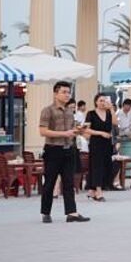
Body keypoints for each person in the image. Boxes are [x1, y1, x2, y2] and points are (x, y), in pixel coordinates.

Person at [38, 81, 90, 224]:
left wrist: (78, 131)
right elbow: (42, 131)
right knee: (49, 182)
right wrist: (64, 133)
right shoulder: (47, 110)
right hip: (53, 150)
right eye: (64, 92)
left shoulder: (69, 111)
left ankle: (71, 213)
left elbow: (71, 131)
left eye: (69, 92)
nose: (67, 95)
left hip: (69, 150)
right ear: (56, 93)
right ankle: (46, 212)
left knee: (68, 182)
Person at [84, 93, 115, 202]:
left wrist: (111, 109)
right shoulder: (91, 114)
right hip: (96, 143)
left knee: (106, 166)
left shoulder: (108, 113)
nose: (102, 103)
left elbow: (115, 123)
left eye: (104, 100)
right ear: (96, 102)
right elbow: (86, 129)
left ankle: (92, 190)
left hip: (107, 143)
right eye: (100, 100)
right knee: (97, 166)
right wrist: (100, 133)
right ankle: (98, 191)